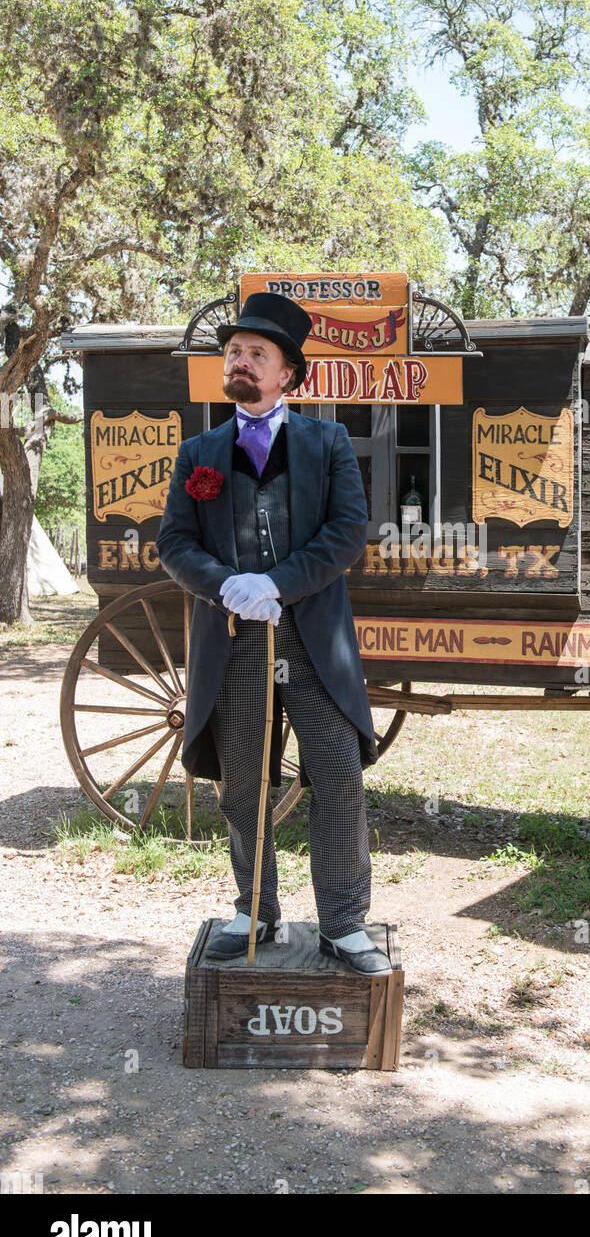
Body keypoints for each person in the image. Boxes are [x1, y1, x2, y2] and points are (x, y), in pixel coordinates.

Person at [155, 290, 390, 974]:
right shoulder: (199, 450)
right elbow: (172, 541)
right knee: (242, 784)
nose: (241, 362)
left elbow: (347, 532)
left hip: (311, 640)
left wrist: (277, 583)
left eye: (257, 353)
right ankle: (254, 908)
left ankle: (343, 925)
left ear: (288, 373)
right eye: (233, 351)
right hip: (231, 640)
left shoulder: (328, 442)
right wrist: (225, 584)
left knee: (338, 778)